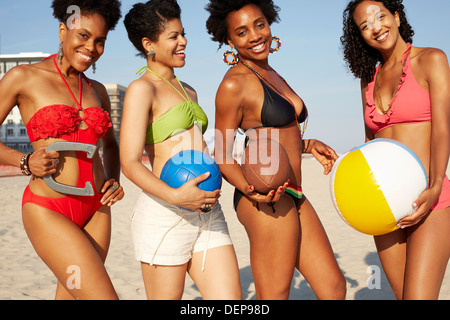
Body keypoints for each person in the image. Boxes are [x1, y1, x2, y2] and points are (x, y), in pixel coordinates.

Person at [205, 0, 347, 300]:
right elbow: (221, 152)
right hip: (265, 199)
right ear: (229, 40)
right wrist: (249, 188)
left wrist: (307, 145)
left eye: (260, 24)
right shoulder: (234, 85)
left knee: (334, 287)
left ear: (269, 23)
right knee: (274, 294)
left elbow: (276, 133)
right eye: (242, 32)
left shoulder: (273, 74)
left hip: (293, 191)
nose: (255, 35)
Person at [0, 0, 124, 300]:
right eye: (83, 35)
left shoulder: (97, 91)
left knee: (73, 295)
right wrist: (25, 161)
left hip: (97, 210)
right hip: (49, 209)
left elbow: (109, 144)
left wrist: (113, 179)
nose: (91, 47)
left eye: (100, 41)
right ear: (62, 30)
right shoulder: (23, 77)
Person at [121, 0, 241, 300]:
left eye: (183, 34)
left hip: (208, 212)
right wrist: (176, 196)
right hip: (165, 214)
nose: (183, 41)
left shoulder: (189, 90)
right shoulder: (141, 90)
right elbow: (130, 163)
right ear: (149, 44)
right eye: (173, 36)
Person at [341, 0, 450, 300]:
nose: (375, 27)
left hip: (429, 197)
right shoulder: (368, 79)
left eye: (380, 17)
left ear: (397, 17)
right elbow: (371, 146)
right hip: (382, 207)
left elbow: (442, 129)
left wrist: (437, 185)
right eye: (365, 26)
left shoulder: (432, 60)